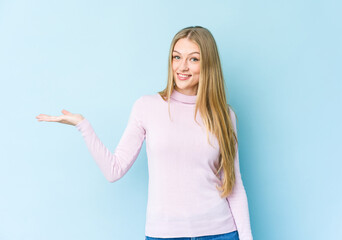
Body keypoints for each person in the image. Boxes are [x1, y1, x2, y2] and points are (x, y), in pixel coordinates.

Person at [36, 26, 253, 240]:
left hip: (219, 232)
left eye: (194, 59)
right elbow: (114, 170)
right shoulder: (147, 107)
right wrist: (83, 125)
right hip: (164, 235)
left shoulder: (224, 115)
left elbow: (233, 186)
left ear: (208, 64)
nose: (182, 66)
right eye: (176, 57)